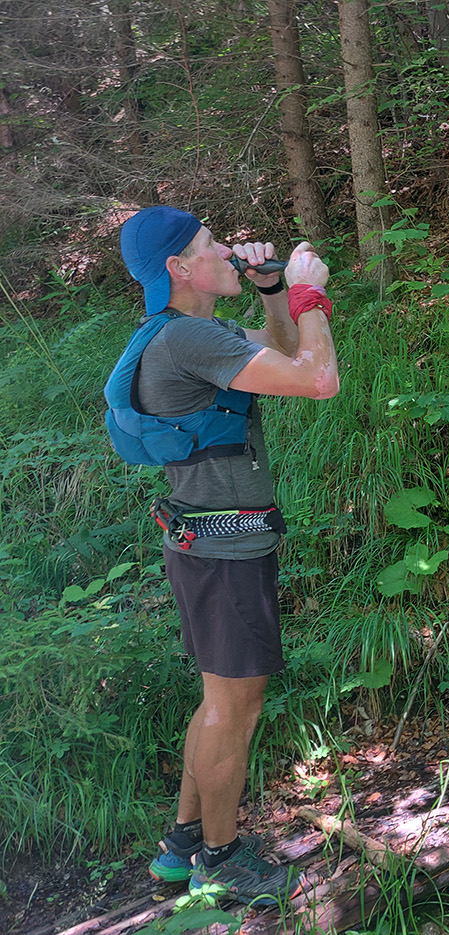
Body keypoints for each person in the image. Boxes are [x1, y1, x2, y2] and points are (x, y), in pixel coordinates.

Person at [113, 206, 339, 907]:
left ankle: (182, 847)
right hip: (226, 551)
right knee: (233, 711)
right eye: (211, 243)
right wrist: (308, 294)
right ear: (182, 268)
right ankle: (221, 859)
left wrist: (273, 292)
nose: (228, 248)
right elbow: (317, 377)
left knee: (219, 702)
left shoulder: (189, 335)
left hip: (209, 544)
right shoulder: (185, 340)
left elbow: (276, 358)